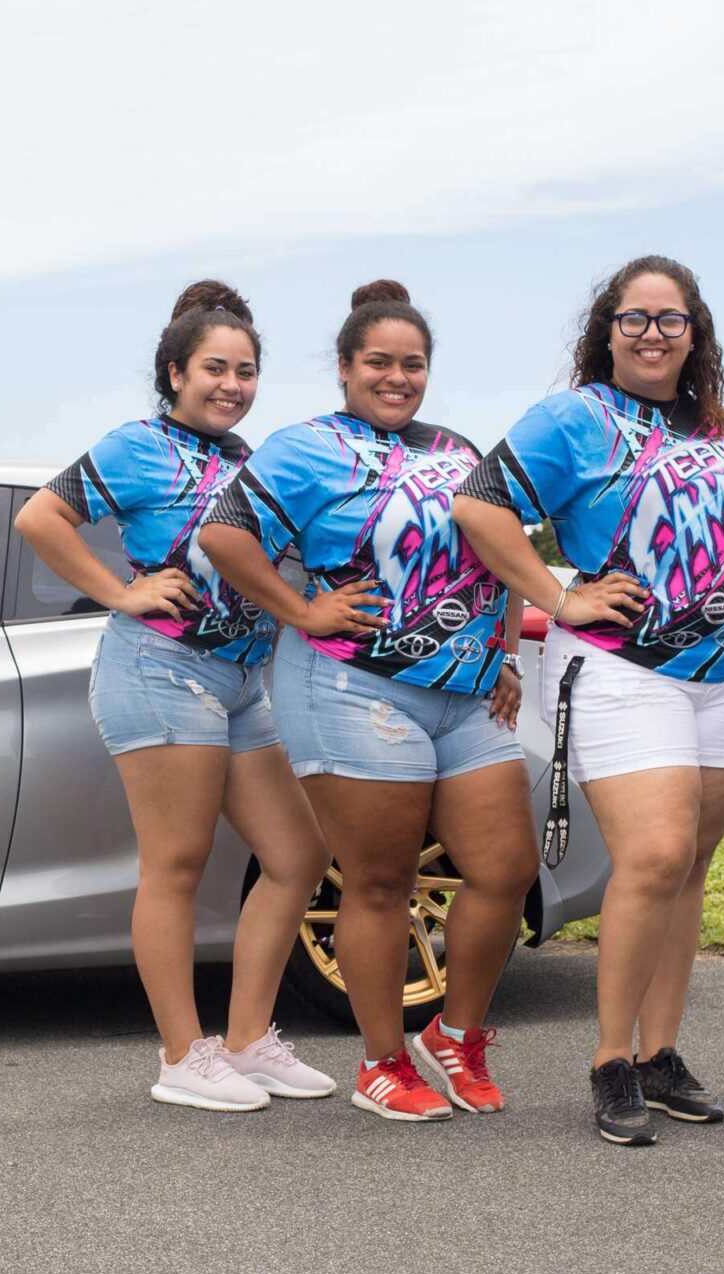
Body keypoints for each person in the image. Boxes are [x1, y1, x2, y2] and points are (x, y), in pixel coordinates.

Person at [453, 256, 724, 1147]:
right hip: (622, 665)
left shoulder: (721, 429)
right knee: (652, 855)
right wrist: (558, 595)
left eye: (671, 319)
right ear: (606, 330)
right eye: (635, 317)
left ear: (697, 333)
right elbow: (481, 506)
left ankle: (662, 1054)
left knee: (689, 867)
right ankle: (612, 1062)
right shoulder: (573, 418)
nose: (653, 333)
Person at [198, 280, 538, 1124]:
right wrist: (302, 608)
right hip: (351, 687)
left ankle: (453, 1038)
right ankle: (382, 1061)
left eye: (412, 364)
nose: (397, 377)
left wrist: (501, 651)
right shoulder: (304, 448)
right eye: (378, 362)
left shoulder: (460, 449)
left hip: (464, 698)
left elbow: (499, 548)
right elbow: (223, 533)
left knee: (504, 870)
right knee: (380, 881)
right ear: (345, 368)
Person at [12, 280, 332, 1113]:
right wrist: (121, 591)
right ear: (175, 372)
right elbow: (40, 518)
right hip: (161, 671)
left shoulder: (244, 461)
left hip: (239, 682)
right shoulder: (137, 445)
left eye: (247, 371)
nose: (232, 384)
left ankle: (248, 1041)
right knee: (177, 866)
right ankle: (183, 1056)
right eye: (215, 369)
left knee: (297, 857)